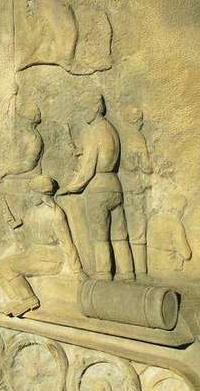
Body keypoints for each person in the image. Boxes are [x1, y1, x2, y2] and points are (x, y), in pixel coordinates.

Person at [58, 93, 134, 281]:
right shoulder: (110, 129)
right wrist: (82, 151)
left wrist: (70, 187)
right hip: (114, 183)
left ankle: (104, 274)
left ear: (96, 108)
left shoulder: (94, 132)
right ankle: (127, 273)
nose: (83, 112)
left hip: (98, 187)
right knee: (119, 235)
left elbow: (88, 168)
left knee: (100, 236)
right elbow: (103, 153)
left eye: (85, 108)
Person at [0, 175, 83, 317]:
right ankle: (16, 299)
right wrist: (17, 227)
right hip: (33, 254)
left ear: (42, 194)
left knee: (7, 267)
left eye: (33, 192)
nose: (30, 196)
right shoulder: (32, 211)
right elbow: (28, 237)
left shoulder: (56, 214)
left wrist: (78, 271)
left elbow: (67, 243)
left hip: (50, 259)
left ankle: (29, 299)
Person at [117, 105, 153, 275]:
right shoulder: (137, 137)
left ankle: (126, 271)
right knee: (138, 231)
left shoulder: (119, 136)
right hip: (135, 188)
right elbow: (146, 166)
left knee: (122, 229)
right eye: (139, 120)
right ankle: (141, 271)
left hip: (121, 188)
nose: (142, 123)